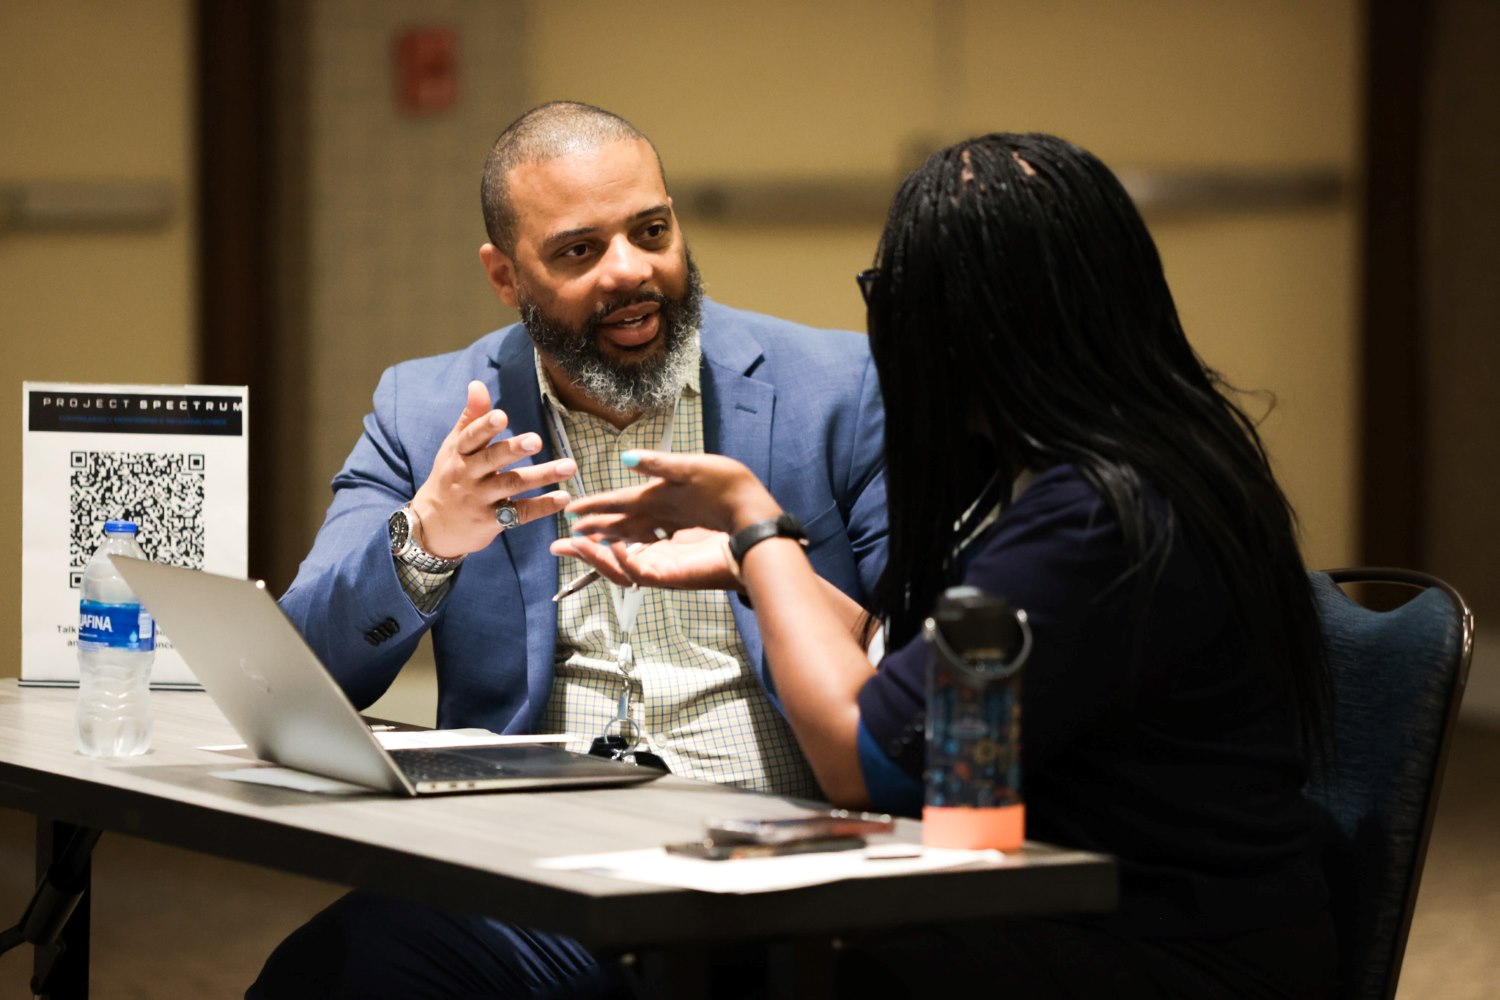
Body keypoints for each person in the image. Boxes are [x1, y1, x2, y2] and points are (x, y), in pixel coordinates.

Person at [563, 133, 1338, 998]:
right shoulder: (1115, 463)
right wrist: (757, 573)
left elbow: (871, 765)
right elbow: (927, 686)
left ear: (974, 325)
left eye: (891, 296)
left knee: (750, 966)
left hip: (1173, 952)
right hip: (1096, 909)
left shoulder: (1096, 518)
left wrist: (758, 529)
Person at [251, 102, 886, 997]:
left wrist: (762, 559)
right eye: (579, 251)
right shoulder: (430, 410)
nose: (632, 273)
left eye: (651, 231)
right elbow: (301, 677)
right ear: (506, 277)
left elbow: (922, 665)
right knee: (333, 974)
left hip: (781, 853)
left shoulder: (838, 391)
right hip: (538, 868)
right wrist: (428, 539)